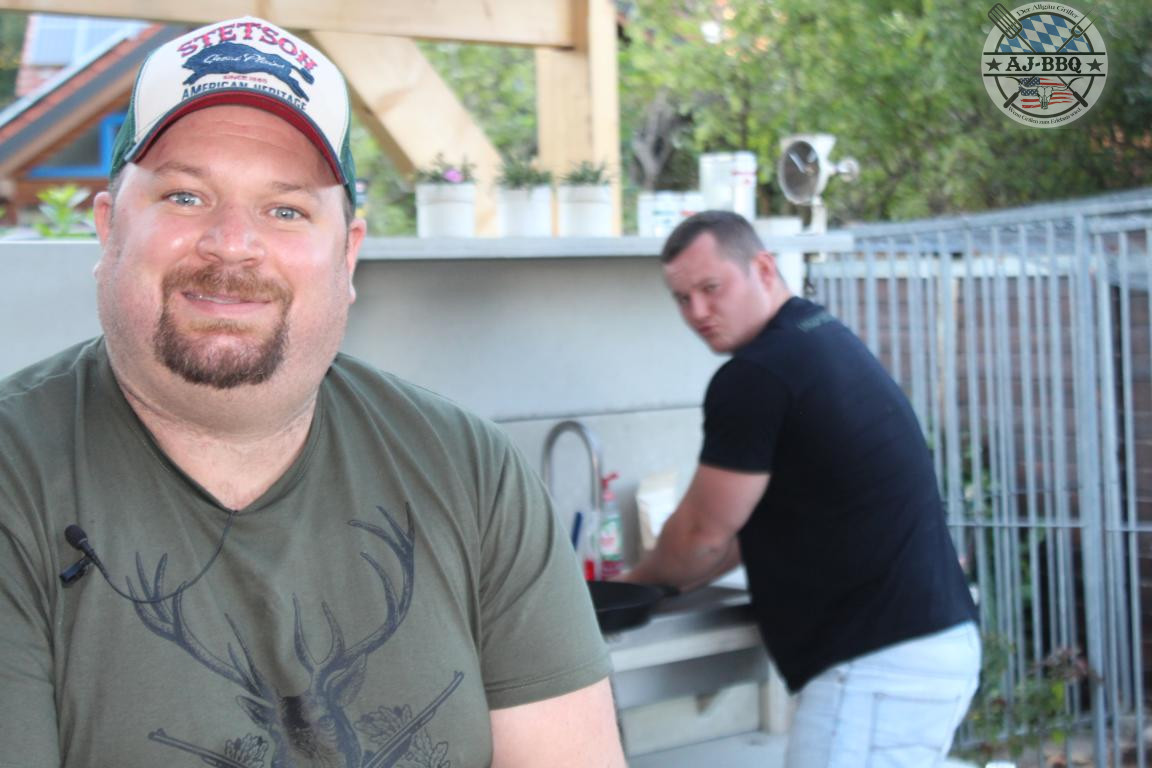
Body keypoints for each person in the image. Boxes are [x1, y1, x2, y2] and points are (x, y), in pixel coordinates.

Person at [0, 17, 625, 768]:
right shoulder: (15, 475)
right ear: (108, 230)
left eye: (286, 209)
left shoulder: (471, 473)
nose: (233, 245)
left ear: (348, 254)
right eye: (186, 196)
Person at [620, 210, 980, 767]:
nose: (697, 313)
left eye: (711, 289)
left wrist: (627, 589)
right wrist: (669, 577)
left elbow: (701, 536)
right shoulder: (818, 338)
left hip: (878, 666)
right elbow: (738, 532)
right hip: (921, 648)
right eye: (682, 299)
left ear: (763, 269)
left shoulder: (758, 374)